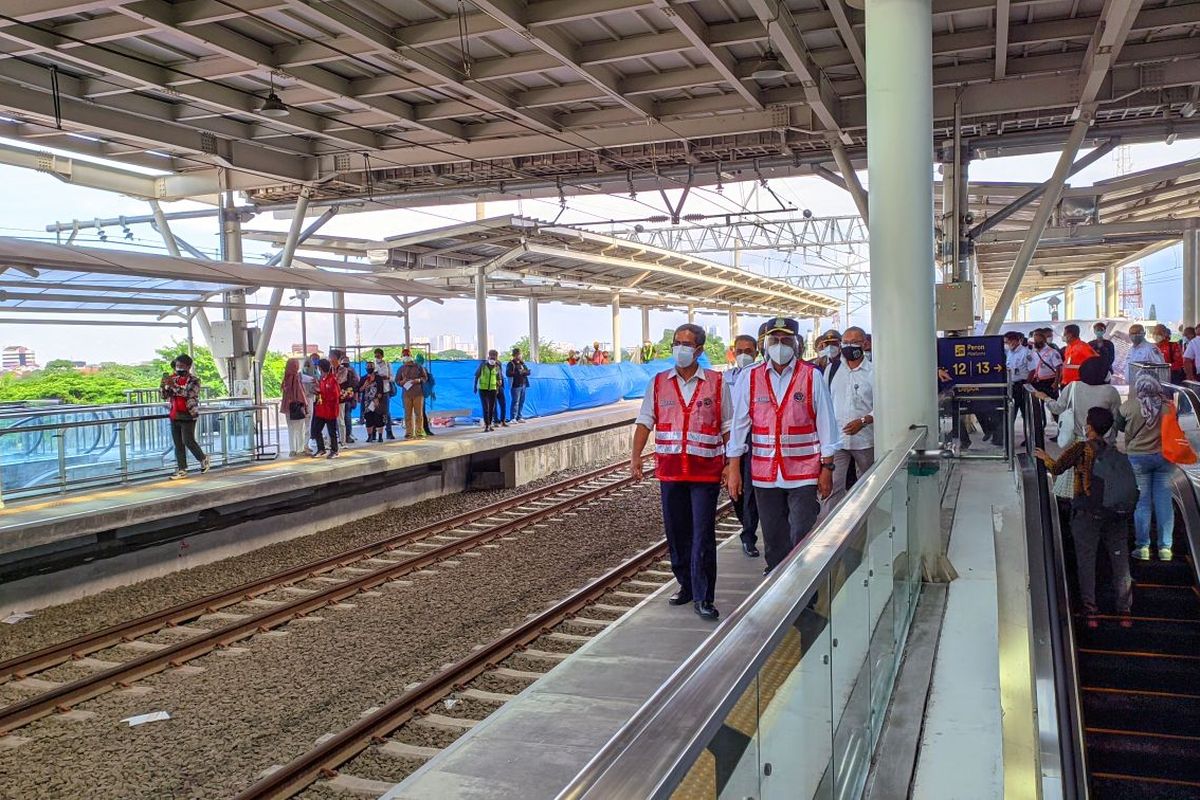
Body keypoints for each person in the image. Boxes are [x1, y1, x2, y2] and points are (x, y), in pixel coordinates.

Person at [631, 323, 731, 621]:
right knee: (677, 533)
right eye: (677, 342)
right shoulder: (659, 382)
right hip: (671, 471)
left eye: (687, 344)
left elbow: (727, 426)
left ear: (699, 350)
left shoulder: (716, 382)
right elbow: (645, 420)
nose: (680, 348)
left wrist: (730, 464)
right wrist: (635, 457)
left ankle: (704, 596)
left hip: (705, 472)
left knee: (702, 535)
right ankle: (686, 584)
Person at [725, 317, 839, 576]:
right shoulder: (750, 378)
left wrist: (827, 467)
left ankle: (805, 590)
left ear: (796, 344)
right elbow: (739, 425)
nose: (779, 345)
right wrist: (733, 468)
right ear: (765, 344)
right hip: (765, 474)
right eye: (774, 340)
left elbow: (826, 424)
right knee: (774, 538)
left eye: (785, 340)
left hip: (804, 472)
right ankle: (777, 585)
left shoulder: (811, 377)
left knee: (801, 531)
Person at [1035, 406, 1134, 628]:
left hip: (1087, 512)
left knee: (1086, 560)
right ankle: (1125, 611)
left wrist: (1044, 457)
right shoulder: (1115, 452)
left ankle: (1091, 612)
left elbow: (1057, 468)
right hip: (1116, 514)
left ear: (1088, 426)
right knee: (1120, 561)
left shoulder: (1081, 448)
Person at [1116, 373, 1176, 561]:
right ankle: (1165, 548)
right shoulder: (1167, 407)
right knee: (1164, 502)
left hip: (1138, 458)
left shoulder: (1129, 406)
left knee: (1142, 502)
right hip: (1164, 458)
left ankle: (1142, 547)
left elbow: (1119, 426)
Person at [827, 326, 874, 509]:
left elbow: (884, 405)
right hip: (837, 440)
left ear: (865, 344)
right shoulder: (832, 370)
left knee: (868, 485)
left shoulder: (874, 371)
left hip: (865, 441)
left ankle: (867, 524)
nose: (849, 346)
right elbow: (824, 403)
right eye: (845, 342)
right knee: (832, 488)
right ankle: (828, 531)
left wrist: (863, 421)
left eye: (854, 342)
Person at [1034, 357, 1120, 444]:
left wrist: (1046, 398)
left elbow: (1057, 409)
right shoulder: (1111, 392)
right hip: (1104, 442)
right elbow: (1117, 419)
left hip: (1078, 442)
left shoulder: (1073, 387)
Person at [727, 334, 761, 557]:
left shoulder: (759, 376)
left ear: (756, 353)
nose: (743, 355)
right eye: (740, 351)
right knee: (735, 491)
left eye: (748, 351)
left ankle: (749, 535)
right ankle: (745, 525)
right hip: (729, 438)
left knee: (749, 489)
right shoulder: (724, 378)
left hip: (752, 436)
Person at [161, 354, 211, 479]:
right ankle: (182, 469)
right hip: (174, 415)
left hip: (188, 414)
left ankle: (203, 458)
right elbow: (164, 396)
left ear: (188, 367)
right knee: (178, 444)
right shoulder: (174, 379)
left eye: (181, 366)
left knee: (188, 440)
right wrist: (164, 385)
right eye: (177, 366)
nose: (179, 368)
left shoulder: (194, 380)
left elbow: (188, 394)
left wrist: (173, 386)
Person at [1004, 331, 1035, 444]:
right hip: (1011, 386)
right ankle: (1008, 440)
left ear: (1016, 341)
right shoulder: (1009, 353)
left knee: (1026, 414)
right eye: (1006, 342)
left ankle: (1029, 439)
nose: (1007, 344)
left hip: (1022, 385)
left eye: (1009, 341)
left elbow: (1032, 370)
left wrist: (1026, 384)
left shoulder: (1026, 353)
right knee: (1011, 413)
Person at [311, 358, 341, 458]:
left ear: (321, 368)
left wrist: (321, 393)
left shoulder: (332, 380)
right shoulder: (322, 379)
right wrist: (317, 390)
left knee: (331, 431)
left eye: (319, 367)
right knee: (316, 429)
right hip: (321, 409)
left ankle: (334, 450)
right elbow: (322, 392)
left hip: (330, 410)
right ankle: (321, 449)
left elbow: (335, 395)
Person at [280, 357, 308, 458]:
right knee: (300, 429)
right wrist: (306, 406)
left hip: (288, 407)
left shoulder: (286, 377)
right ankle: (300, 449)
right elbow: (300, 393)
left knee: (291, 428)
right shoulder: (296, 377)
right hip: (297, 407)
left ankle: (292, 449)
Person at [397, 349, 427, 440]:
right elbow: (397, 381)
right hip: (406, 394)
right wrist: (402, 382)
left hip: (418, 393)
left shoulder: (418, 367)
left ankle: (419, 433)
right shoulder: (401, 368)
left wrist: (418, 380)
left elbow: (425, 378)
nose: (406, 356)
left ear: (411, 356)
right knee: (407, 414)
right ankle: (409, 433)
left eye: (407, 355)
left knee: (419, 414)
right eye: (404, 355)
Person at [474, 349, 504, 432]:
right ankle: (487, 425)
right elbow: (477, 375)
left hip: (493, 390)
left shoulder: (497, 366)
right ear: (488, 356)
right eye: (492, 357)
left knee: (492, 408)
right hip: (483, 389)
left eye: (494, 358)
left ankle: (490, 424)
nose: (493, 359)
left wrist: (498, 387)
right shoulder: (483, 365)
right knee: (485, 408)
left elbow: (499, 379)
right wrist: (475, 387)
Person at [1028, 329, 1063, 399]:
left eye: (1037, 339)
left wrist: (1056, 383)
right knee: (1038, 405)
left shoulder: (1052, 352)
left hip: (1049, 382)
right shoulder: (1033, 352)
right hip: (1037, 382)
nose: (1035, 342)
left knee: (1051, 404)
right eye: (1034, 338)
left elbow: (1059, 369)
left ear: (1043, 339)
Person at [373, 348, 397, 440]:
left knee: (386, 412)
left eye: (378, 356)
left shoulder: (387, 364)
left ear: (382, 356)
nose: (377, 358)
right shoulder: (373, 364)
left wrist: (386, 378)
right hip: (375, 391)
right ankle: (374, 433)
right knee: (374, 411)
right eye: (375, 356)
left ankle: (389, 432)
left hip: (385, 390)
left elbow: (392, 377)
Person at [358, 362, 386, 442]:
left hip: (377, 401)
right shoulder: (363, 378)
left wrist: (377, 398)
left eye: (371, 366)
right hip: (367, 402)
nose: (369, 368)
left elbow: (381, 390)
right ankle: (370, 436)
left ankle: (380, 436)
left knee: (378, 418)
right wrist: (364, 386)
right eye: (367, 366)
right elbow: (359, 389)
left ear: (374, 367)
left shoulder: (378, 378)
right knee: (369, 418)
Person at [335, 352, 358, 446]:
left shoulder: (341, 370)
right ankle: (345, 436)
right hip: (348, 396)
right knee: (345, 416)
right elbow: (357, 383)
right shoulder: (352, 370)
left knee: (343, 417)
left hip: (343, 396)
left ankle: (344, 436)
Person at [506, 348, 531, 423]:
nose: (520, 356)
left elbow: (527, 371)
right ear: (515, 355)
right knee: (515, 401)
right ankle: (513, 418)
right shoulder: (511, 364)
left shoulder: (522, 363)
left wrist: (526, 372)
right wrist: (518, 372)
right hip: (515, 385)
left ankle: (519, 417)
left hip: (523, 384)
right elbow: (508, 373)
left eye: (520, 354)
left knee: (521, 401)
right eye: (519, 354)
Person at [416, 352, 436, 437]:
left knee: (420, 413)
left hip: (419, 394)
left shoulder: (423, 371)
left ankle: (422, 430)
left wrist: (431, 393)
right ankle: (423, 430)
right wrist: (431, 393)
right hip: (419, 394)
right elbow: (430, 383)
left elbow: (429, 383)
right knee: (420, 413)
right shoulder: (423, 370)